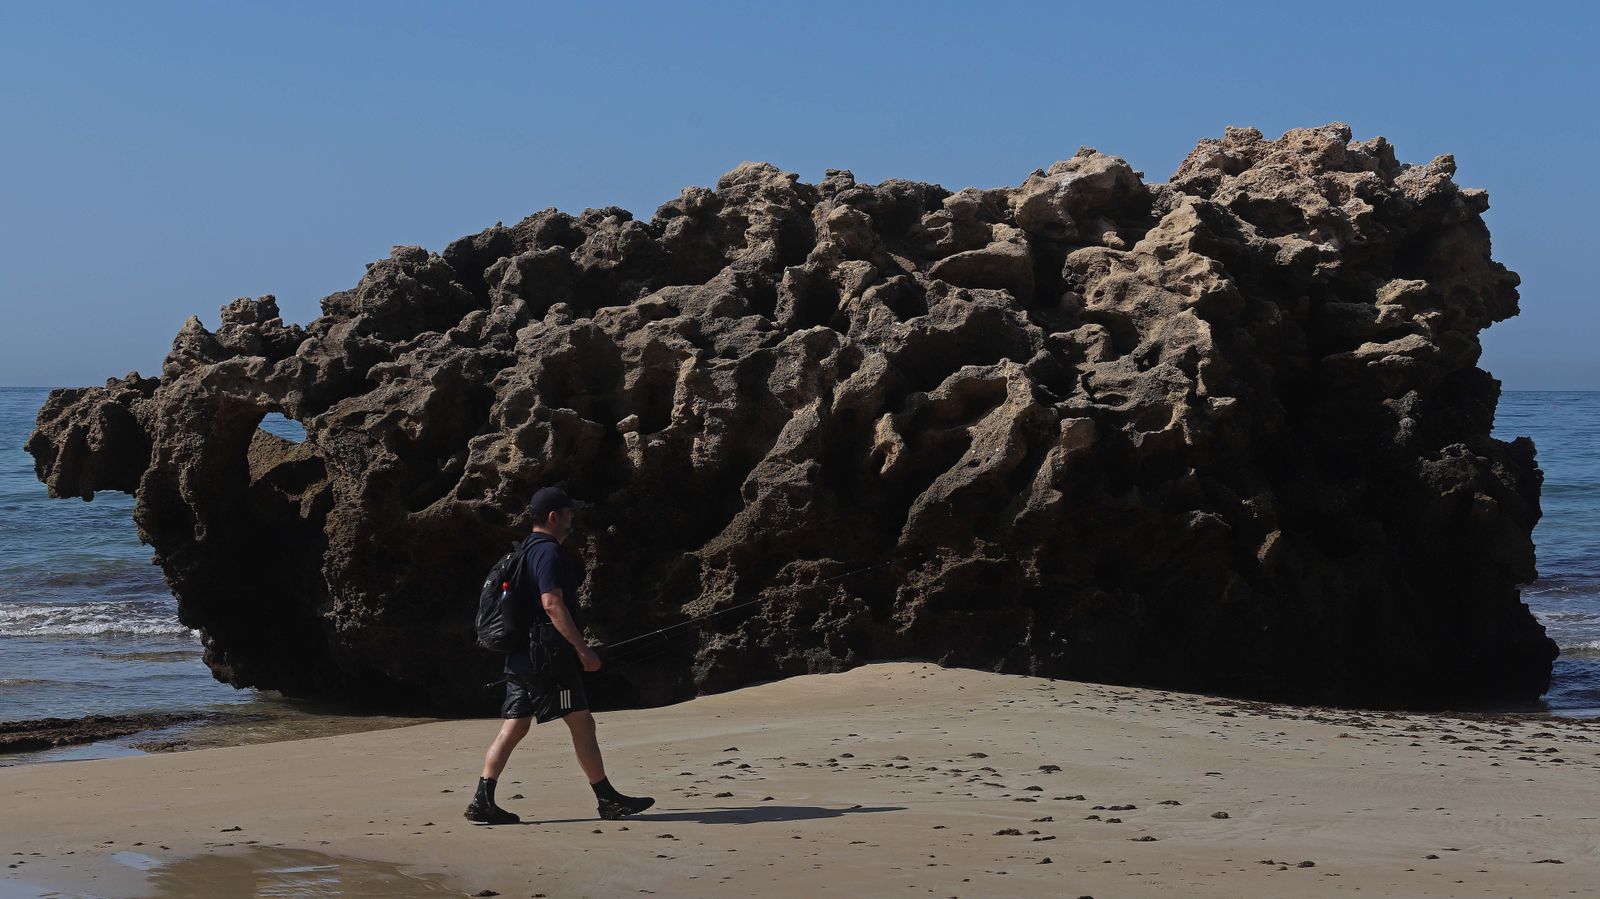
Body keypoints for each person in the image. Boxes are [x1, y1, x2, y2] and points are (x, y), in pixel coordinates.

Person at [465, 486, 655, 824]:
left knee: (515, 725)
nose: (572, 521)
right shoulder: (548, 553)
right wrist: (582, 649)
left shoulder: (522, 552)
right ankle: (607, 799)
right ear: (553, 517)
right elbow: (551, 604)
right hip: (549, 659)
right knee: (582, 723)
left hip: (519, 658)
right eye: (569, 515)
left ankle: (483, 799)